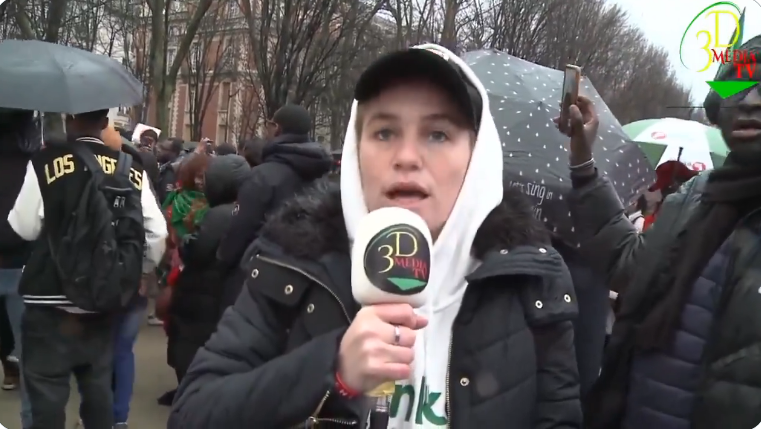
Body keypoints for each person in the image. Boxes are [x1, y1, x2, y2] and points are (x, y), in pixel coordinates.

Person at [169, 44, 581, 428]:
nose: (406, 158)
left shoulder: (534, 283)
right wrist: (333, 369)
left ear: (477, 157)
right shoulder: (291, 262)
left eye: (438, 134)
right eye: (384, 133)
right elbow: (193, 412)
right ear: (355, 150)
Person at [566, 35, 761, 429]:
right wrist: (583, 162)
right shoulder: (695, 196)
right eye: (738, 86)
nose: (750, 101)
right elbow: (629, 264)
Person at [7, 109, 167, 429]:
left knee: (47, 392)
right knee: (97, 388)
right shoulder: (131, 169)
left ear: (69, 120)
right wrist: (134, 271)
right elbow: (157, 233)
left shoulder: (44, 162)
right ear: (105, 123)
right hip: (102, 298)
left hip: (48, 297)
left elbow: (22, 226)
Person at [215, 104, 332, 309]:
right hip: (307, 279)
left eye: (269, 125)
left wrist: (222, 262)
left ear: (277, 128)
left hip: (258, 279)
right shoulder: (324, 178)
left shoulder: (263, 176)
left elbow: (241, 229)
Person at [167, 154, 248, 386]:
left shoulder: (219, 215)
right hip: (224, 300)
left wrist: (185, 243)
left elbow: (197, 249)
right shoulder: (248, 211)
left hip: (203, 303)